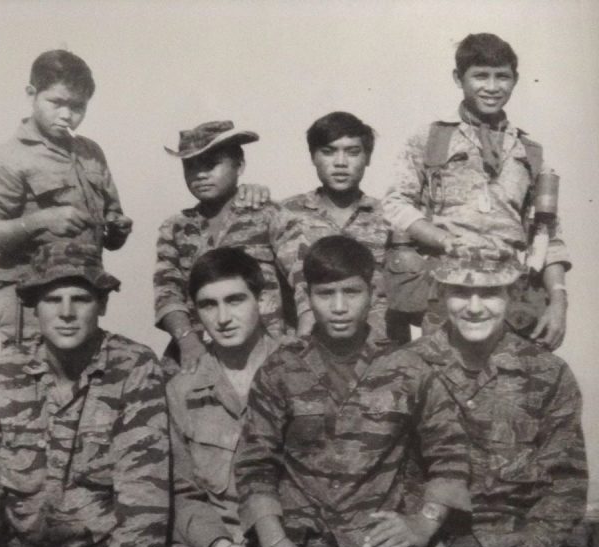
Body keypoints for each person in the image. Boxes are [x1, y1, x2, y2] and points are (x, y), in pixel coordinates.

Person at [234, 235, 471, 547]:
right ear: (308, 295)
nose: (340, 307)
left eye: (351, 292)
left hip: (381, 543)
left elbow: (449, 452)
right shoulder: (281, 369)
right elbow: (256, 466)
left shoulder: (407, 366)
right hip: (301, 545)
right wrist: (275, 546)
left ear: (372, 290)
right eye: (326, 294)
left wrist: (423, 522)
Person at [0, 242, 170, 547]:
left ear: (103, 304)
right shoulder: (5, 372)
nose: (67, 313)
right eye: (53, 299)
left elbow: (145, 487)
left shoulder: (133, 366)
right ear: (34, 307)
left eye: (81, 298)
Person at [408, 244, 596, 547]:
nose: (475, 307)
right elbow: (389, 481)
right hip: (434, 545)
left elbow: (566, 485)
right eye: (461, 291)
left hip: (530, 545)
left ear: (512, 294)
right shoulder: (403, 370)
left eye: (490, 293)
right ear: (441, 294)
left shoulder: (548, 373)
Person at [382, 33, 570, 349]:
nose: (492, 87)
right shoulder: (431, 138)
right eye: (480, 76)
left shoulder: (529, 152)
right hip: (447, 292)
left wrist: (559, 302)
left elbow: (547, 234)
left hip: (509, 296)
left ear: (516, 80)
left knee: (509, 387)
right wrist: (443, 240)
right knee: (441, 381)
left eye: (502, 77)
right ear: (459, 78)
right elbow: (396, 205)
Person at [0, 50, 133, 346]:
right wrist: (40, 221)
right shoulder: (8, 158)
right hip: (28, 305)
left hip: (81, 299)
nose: (67, 115)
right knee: (27, 387)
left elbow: (112, 236)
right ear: (32, 94)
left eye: (78, 106)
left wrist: (117, 227)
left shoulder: (90, 154)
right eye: (56, 102)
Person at [155, 247, 278, 547]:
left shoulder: (301, 370)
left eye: (235, 300)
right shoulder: (181, 391)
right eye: (209, 305)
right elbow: (182, 491)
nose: (223, 318)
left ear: (263, 300)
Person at [154, 120, 308, 376]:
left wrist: (303, 340)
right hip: (199, 350)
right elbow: (166, 292)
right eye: (190, 166)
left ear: (240, 166)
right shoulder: (176, 227)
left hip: (266, 351)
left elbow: (304, 277)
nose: (200, 174)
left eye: (211, 164)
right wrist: (187, 341)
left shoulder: (268, 214)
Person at [281, 111, 391, 336]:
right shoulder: (285, 214)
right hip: (307, 347)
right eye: (328, 152)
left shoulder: (391, 218)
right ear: (313, 156)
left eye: (352, 152)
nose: (340, 163)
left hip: (380, 351)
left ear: (368, 158)